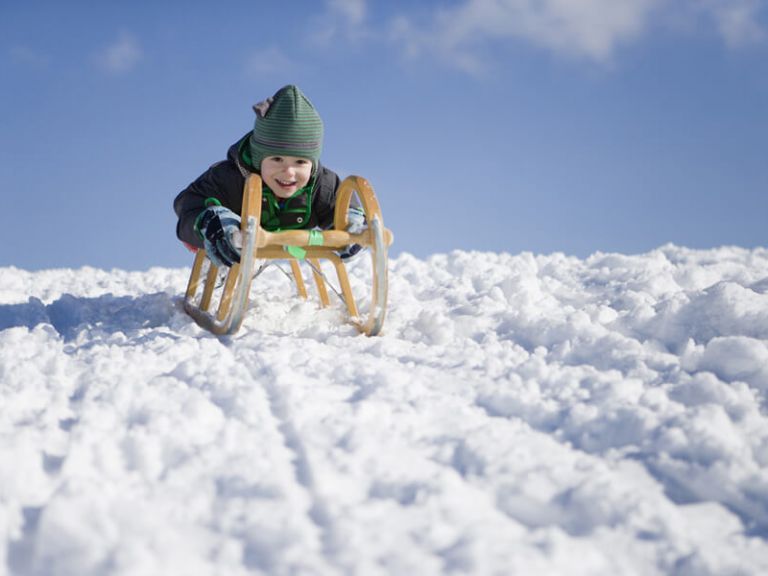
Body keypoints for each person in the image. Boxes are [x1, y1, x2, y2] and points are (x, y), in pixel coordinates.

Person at [173, 84, 363, 268]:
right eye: (277, 159)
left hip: (291, 241)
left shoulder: (322, 184)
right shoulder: (229, 178)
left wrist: (349, 225)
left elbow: (342, 205)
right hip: (237, 241)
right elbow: (188, 204)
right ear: (258, 158)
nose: (289, 172)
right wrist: (211, 222)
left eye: (300, 162)